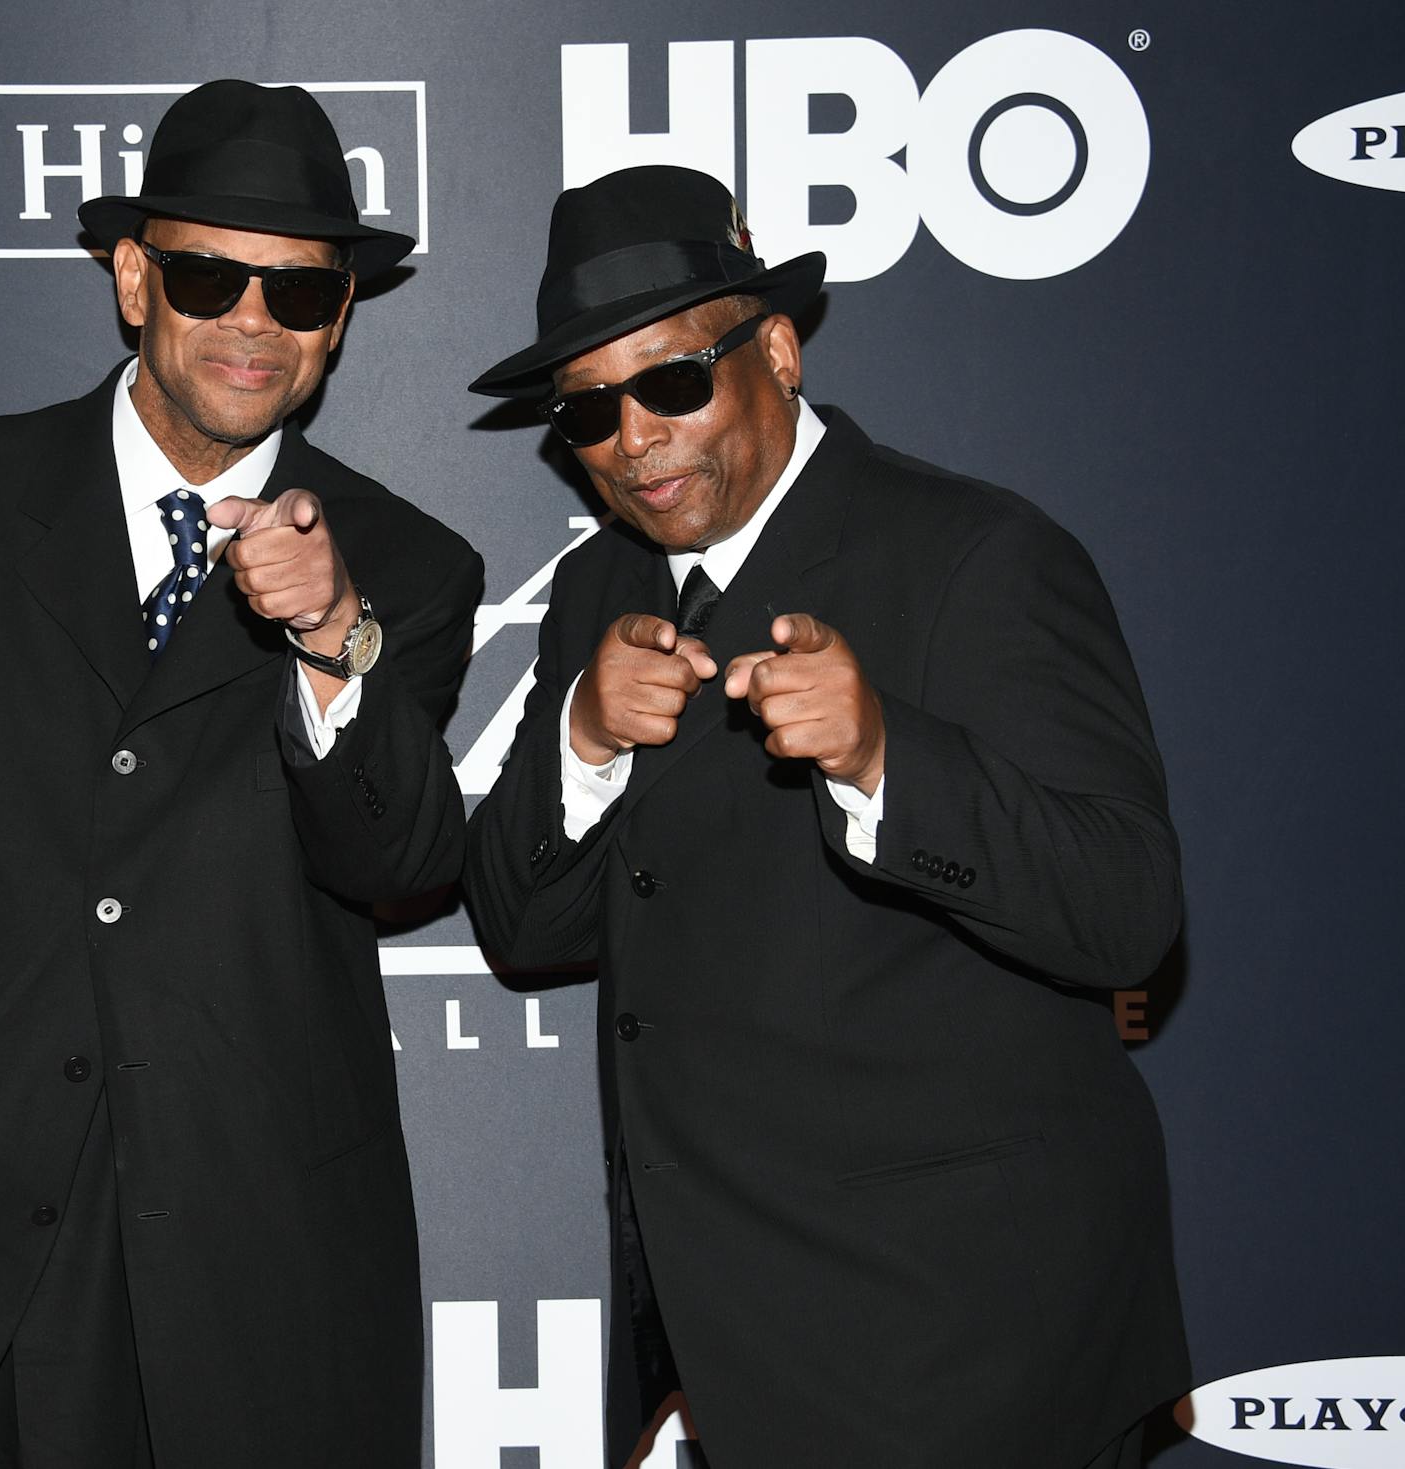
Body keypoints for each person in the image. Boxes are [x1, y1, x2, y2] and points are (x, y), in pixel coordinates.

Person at [0, 79, 481, 1469]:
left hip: (248, 1294)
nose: (254, 326)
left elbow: (400, 861)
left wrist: (333, 634)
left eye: (301, 294)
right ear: (134, 278)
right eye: (211, 277)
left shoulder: (409, 569)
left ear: (339, 316)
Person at [463, 164, 1188, 1469]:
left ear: (778, 350)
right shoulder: (593, 593)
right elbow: (524, 926)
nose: (633, 436)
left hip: (969, 1346)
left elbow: (1130, 909)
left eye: (672, 380)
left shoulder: (974, 554)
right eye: (586, 410)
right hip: (731, 1354)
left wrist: (881, 754)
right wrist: (581, 737)